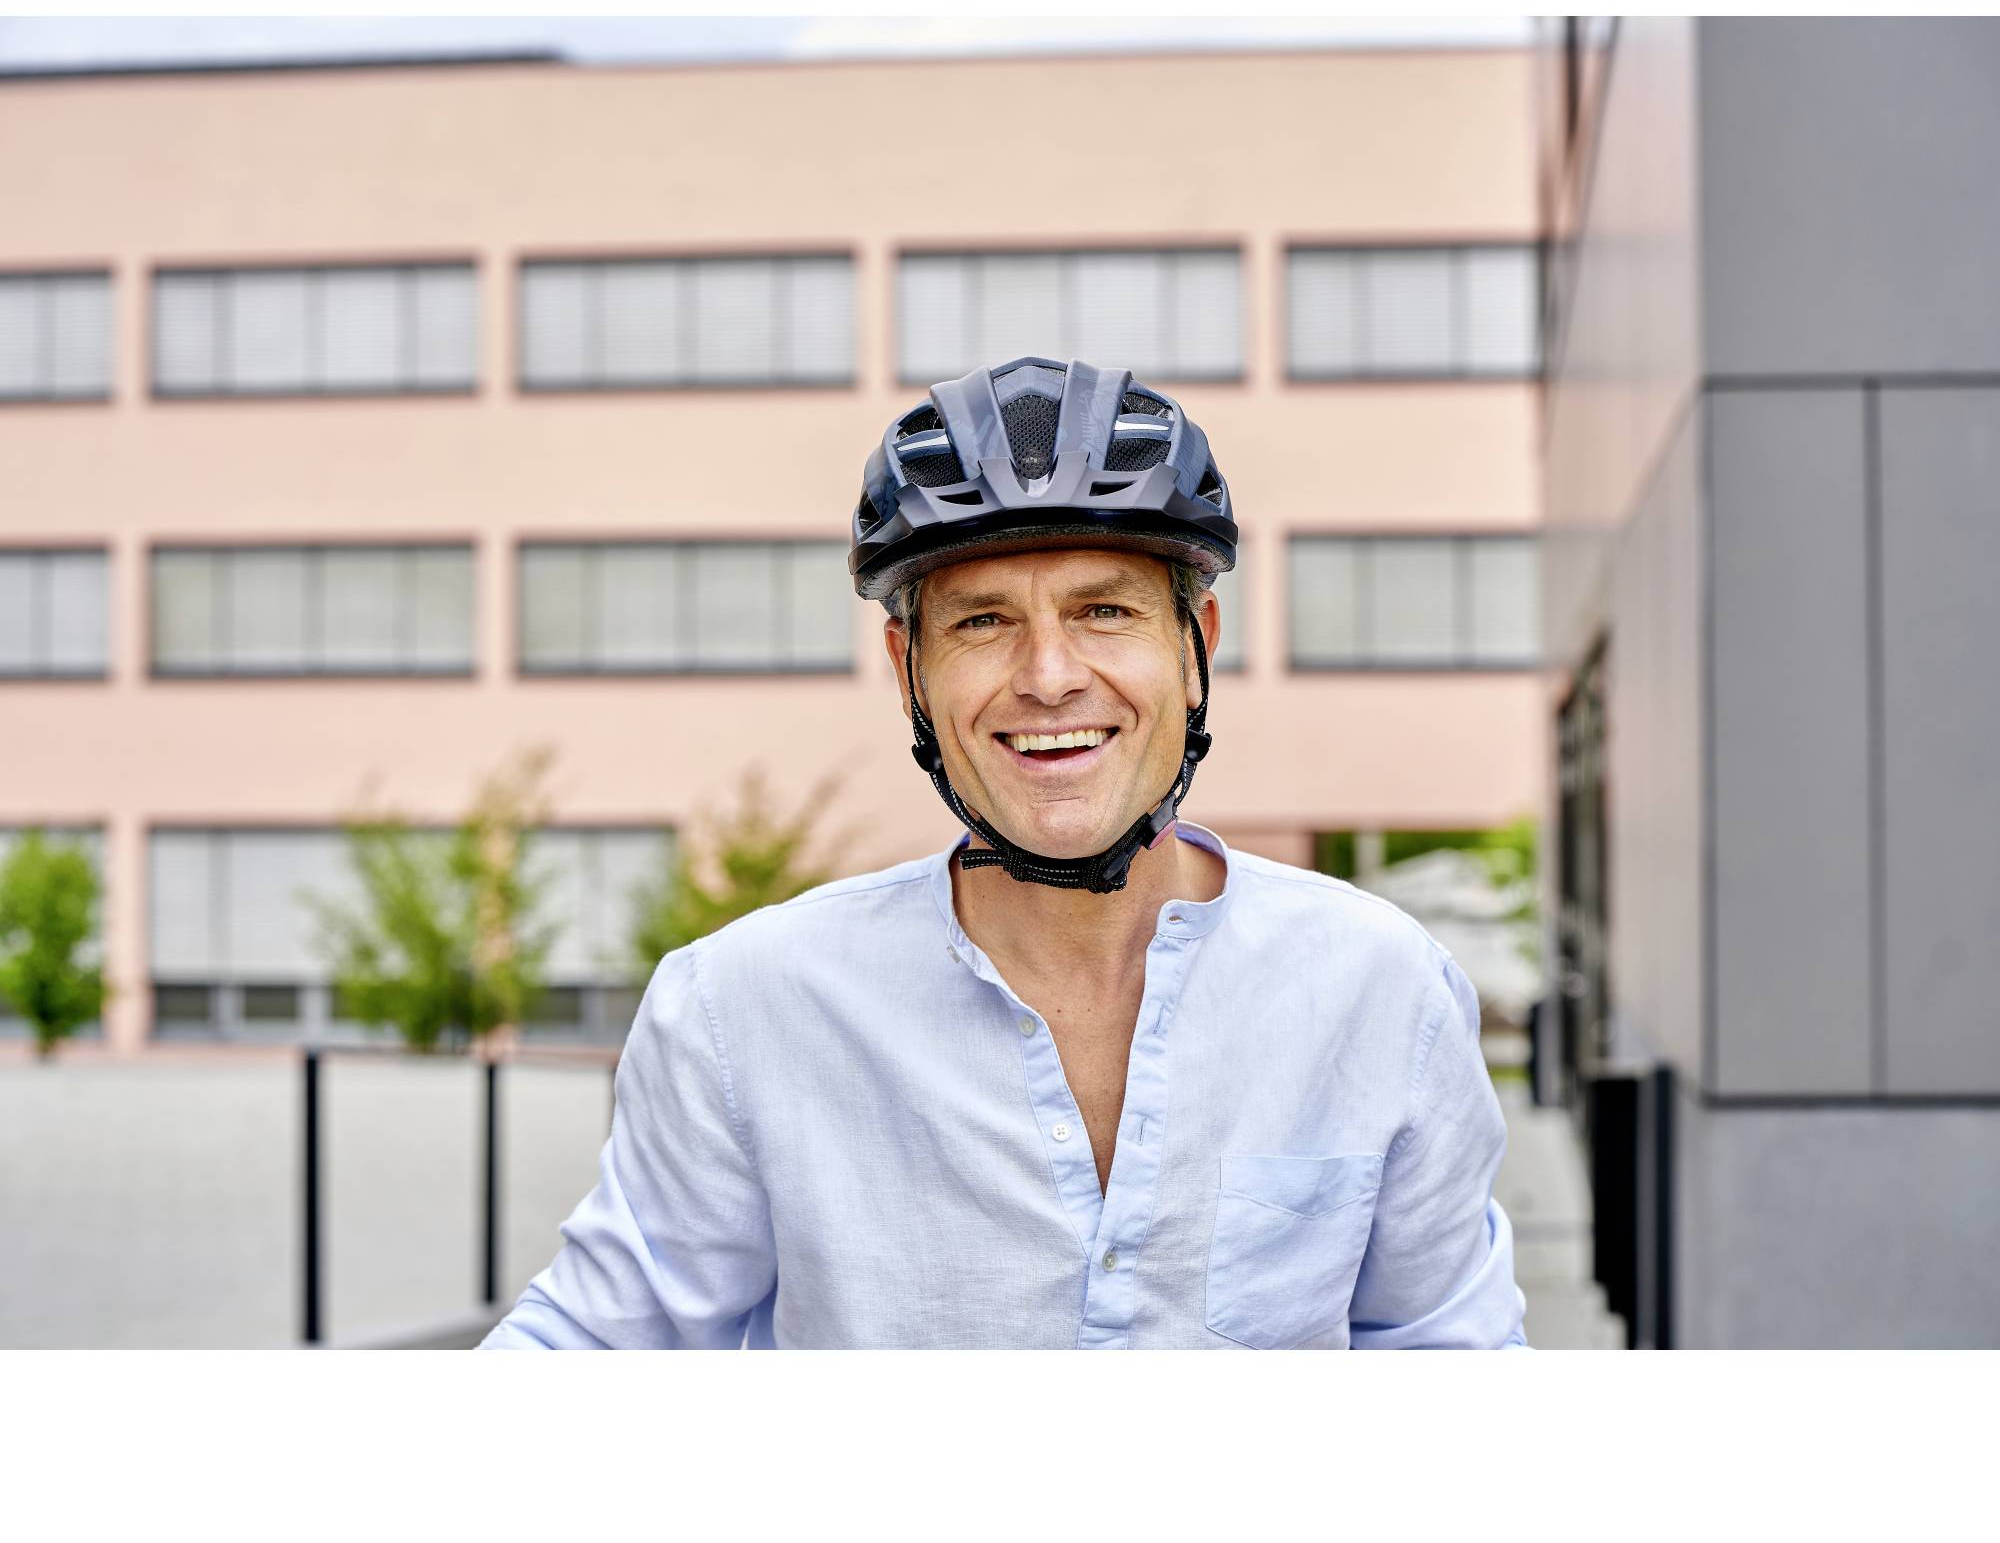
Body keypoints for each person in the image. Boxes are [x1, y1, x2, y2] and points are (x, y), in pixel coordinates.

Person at [481, 355, 1527, 1349]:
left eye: (1103, 610)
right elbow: (593, 1344)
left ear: (1195, 646)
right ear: (910, 671)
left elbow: (1453, 1355)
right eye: (982, 621)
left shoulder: (1381, 988)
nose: (1048, 675)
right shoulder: (740, 1009)